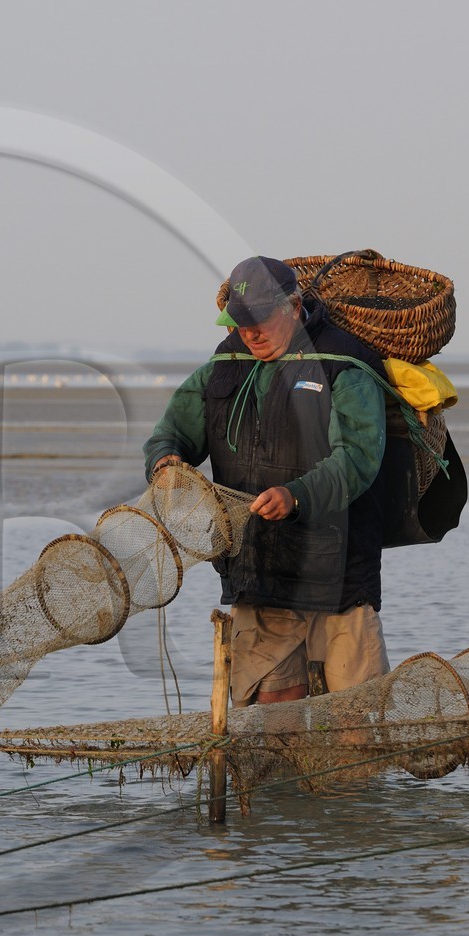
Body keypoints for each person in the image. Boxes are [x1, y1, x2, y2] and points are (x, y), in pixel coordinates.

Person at [144, 256, 390, 706]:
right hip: (257, 577)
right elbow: (168, 434)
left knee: (357, 730)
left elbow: (358, 457)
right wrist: (166, 460)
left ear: (295, 307)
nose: (250, 333)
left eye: (260, 320)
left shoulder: (344, 365)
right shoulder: (222, 368)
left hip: (340, 581)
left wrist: (295, 496)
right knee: (271, 732)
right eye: (240, 323)